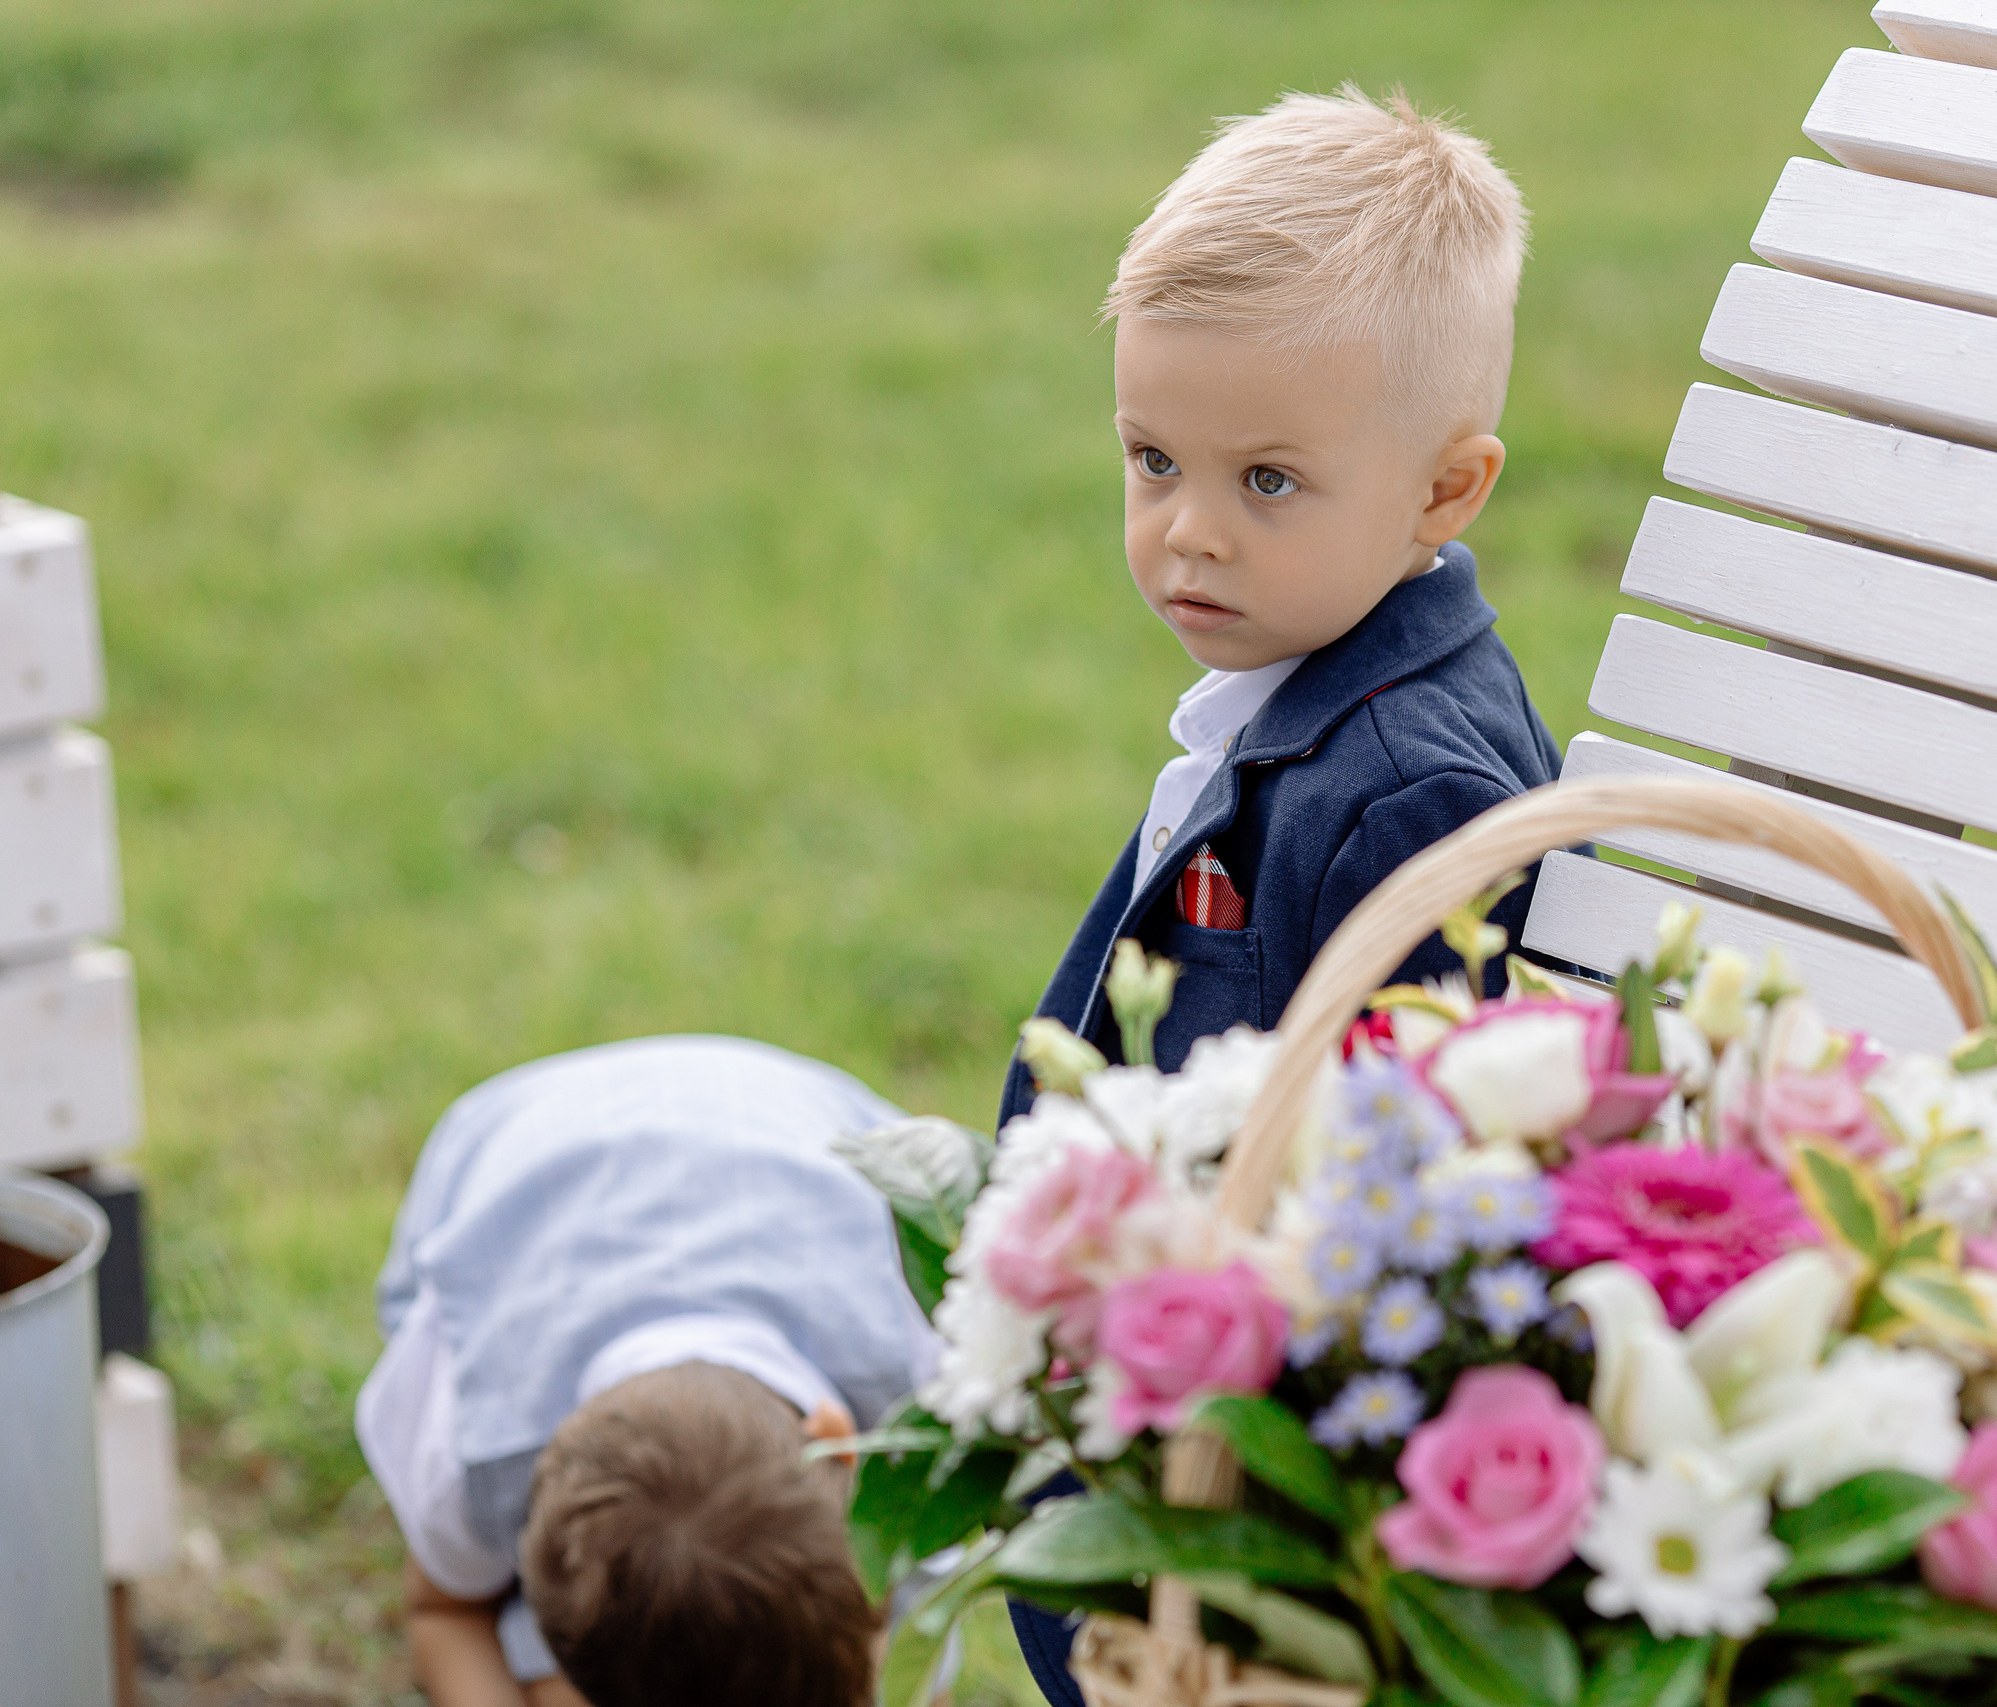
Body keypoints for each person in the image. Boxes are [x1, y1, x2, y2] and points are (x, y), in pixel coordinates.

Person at [1001, 85, 1558, 1704]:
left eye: (1267, 482)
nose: (1186, 533)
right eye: (1153, 457)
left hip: (1243, 1512)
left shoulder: (1411, 796)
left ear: (1447, 491)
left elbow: (1393, 1187)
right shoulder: (1308, 688)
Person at [355, 1035, 937, 1707]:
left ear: (844, 1447)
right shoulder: (467, 1437)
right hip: (506, 1175)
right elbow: (445, 1611)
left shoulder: (918, 1370)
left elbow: (919, 1654)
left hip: (811, 1129)